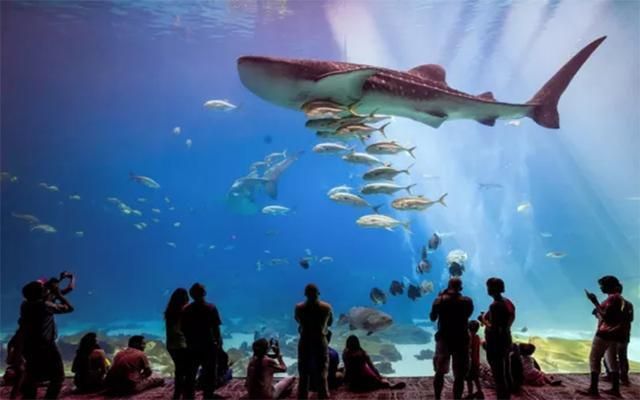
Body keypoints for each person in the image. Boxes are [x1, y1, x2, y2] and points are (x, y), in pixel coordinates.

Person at [19, 280, 74, 399]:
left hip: (29, 345)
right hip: (46, 346)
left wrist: (57, 287)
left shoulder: (25, 305)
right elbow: (70, 308)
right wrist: (59, 294)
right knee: (58, 376)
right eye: (43, 288)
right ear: (41, 293)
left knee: (32, 376)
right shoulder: (45, 306)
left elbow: (46, 297)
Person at [579, 275, 628, 397]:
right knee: (612, 361)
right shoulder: (620, 299)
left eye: (602, 286)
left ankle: (593, 390)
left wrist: (594, 301)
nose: (601, 288)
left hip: (604, 334)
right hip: (614, 334)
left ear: (609, 286)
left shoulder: (612, 299)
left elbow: (607, 317)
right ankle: (615, 390)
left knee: (594, 359)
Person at [430, 277, 474, 400]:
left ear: (448, 286)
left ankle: (437, 398)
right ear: (461, 288)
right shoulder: (467, 301)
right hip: (461, 340)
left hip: (444, 339)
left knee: (439, 372)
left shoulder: (439, 300)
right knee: (460, 375)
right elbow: (468, 315)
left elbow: (433, 318)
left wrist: (440, 298)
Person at [181, 283, 223, 399]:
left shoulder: (186, 309)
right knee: (209, 375)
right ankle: (208, 396)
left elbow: (183, 329)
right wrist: (219, 343)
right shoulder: (211, 307)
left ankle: (189, 397)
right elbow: (216, 328)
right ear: (204, 293)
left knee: (190, 374)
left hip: (192, 346)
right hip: (209, 346)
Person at [294, 283, 333, 399]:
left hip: (305, 339)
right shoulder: (326, 307)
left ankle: (302, 396)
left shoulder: (299, 307)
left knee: (303, 372)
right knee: (322, 371)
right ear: (318, 293)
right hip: (320, 340)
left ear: (305, 294)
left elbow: (297, 320)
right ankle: (323, 395)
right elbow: (330, 323)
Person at [479, 277, 515, 400]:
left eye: (488, 286)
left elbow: (493, 328)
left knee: (498, 374)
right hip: (506, 339)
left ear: (491, 289)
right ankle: (509, 393)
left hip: (496, 343)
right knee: (506, 370)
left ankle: (503, 396)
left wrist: (483, 320)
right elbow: (509, 319)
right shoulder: (508, 302)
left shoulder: (495, 305)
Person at [164, 288, 190, 399]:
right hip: (181, 345)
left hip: (171, 345)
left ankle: (178, 393)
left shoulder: (169, 311)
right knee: (185, 371)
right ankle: (183, 394)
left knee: (179, 370)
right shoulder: (184, 311)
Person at [3, 330, 25, 399]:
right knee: (21, 376)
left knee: (22, 377)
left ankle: (17, 394)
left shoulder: (20, 335)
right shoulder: (21, 335)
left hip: (19, 360)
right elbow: (10, 345)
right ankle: (15, 395)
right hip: (19, 360)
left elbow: (10, 345)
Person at [465, 320, 484, 399]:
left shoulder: (469, 337)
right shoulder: (477, 337)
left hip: (470, 362)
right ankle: (480, 391)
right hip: (476, 361)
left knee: (469, 379)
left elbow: (468, 349)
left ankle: (470, 394)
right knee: (476, 378)